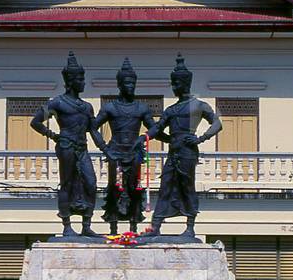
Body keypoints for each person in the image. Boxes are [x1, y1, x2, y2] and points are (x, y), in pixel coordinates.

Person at [143, 53, 222, 240]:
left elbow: (217, 124)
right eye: (173, 83)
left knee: (187, 187)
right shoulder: (171, 110)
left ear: (185, 83)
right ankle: (156, 225)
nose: (174, 87)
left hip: (188, 152)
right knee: (165, 186)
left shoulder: (198, 105)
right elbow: (158, 128)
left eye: (176, 83)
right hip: (174, 152)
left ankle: (190, 226)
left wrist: (201, 138)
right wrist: (145, 137)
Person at [30, 51, 106, 238]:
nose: (83, 82)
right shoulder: (57, 103)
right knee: (68, 184)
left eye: (83, 78)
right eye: (80, 79)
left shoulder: (87, 106)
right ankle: (67, 225)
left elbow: (93, 130)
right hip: (66, 146)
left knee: (91, 182)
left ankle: (86, 225)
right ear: (71, 81)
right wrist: (53, 136)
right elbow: (35, 122)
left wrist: (105, 149)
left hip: (82, 147)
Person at [92, 57, 166, 235]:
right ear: (119, 84)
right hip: (115, 153)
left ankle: (133, 228)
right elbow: (92, 127)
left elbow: (155, 126)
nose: (130, 86)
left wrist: (145, 136)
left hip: (134, 153)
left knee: (134, 189)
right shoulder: (110, 108)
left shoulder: (141, 108)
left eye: (133, 83)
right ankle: (113, 228)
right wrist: (104, 148)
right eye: (127, 83)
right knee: (114, 189)